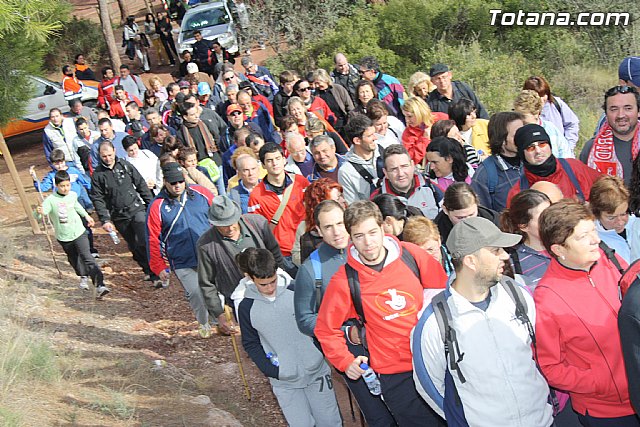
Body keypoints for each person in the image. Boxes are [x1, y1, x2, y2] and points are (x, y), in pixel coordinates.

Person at [314, 200, 447, 426]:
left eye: (372, 233)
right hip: (395, 375)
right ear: (350, 238)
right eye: (359, 236)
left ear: (383, 228)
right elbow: (325, 330)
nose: (368, 243)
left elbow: (444, 297)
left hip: (433, 361)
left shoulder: (412, 255)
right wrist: (345, 361)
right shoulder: (345, 280)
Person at [412, 216, 554, 426]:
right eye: (496, 250)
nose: (505, 255)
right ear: (471, 261)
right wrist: (466, 420)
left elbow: (540, 353)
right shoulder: (435, 321)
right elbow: (429, 385)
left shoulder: (517, 294)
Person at [294, 199, 399, 426]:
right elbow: (304, 319)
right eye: (328, 227)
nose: (336, 232)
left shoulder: (369, 249)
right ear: (318, 230)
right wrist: (345, 331)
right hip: (351, 350)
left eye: (340, 224)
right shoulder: (311, 270)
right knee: (378, 413)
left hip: (387, 340)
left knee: (404, 404)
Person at [536, 200, 638, 426]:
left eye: (593, 230)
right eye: (583, 236)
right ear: (559, 249)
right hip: (609, 411)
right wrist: (602, 382)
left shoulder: (608, 258)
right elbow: (550, 367)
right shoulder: (548, 299)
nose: (596, 240)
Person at [238, 248, 342, 427]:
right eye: (263, 284)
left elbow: (318, 322)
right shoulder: (246, 307)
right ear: (250, 278)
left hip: (317, 373)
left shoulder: (297, 290)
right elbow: (250, 343)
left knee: (330, 421)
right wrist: (272, 371)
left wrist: (319, 353)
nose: (270, 288)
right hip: (284, 382)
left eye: (273, 281)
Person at [147, 163, 217, 336]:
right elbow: (153, 238)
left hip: (209, 254)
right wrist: (158, 266)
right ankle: (204, 323)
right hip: (181, 259)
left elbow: (219, 218)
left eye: (180, 181)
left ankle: (219, 318)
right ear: (165, 182)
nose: (177, 185)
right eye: (173, 182)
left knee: (215, 289)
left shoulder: (202, 194)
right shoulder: (157, 205)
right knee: (195, 293)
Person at [197, 196, 285, 334]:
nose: (229, 228)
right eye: (223, 225)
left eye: (232, 222)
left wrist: (282, 283)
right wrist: (219, 313)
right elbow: (207, 283)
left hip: (273, 290)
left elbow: (276, 255)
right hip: (242, 299)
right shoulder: (206, 245)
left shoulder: (258, 224)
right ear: (214, 224)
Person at [91, 141, 156, 282]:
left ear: (114, 151)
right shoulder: (98, 175)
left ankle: (156, 269)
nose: (108, 158)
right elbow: (97, 198)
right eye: (104, 156)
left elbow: (140, 184)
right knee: (133, 245)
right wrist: (105, 219)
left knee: (144, 239)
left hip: (136, 208)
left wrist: (152, 205)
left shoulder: (125, 166)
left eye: (109, 155)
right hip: (118, 215)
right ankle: (147, 269)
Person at [37, 170, 108, 297]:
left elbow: (77, 206)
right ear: (56, 186)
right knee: (74, 258)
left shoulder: (73, 195)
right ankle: (83, 275)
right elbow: (41, 214)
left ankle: (100, 285)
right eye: (62, 186)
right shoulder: (50, 200)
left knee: (87, 257)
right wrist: (38, 212)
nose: (65, 188)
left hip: (79, 232)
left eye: (68, 185)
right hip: (64, 236)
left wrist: (87, 216)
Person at [247, 143, 309, 275]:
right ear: (263, 165)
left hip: (306, 246)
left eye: (277, 158)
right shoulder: (256, 196)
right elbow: (257, 230)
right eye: (269, 160)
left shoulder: (301, 182)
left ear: (284, 160)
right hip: (283, 254)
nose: (274, 163)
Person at [506, 123, 601, 206]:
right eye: (530, 147)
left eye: (542, 144)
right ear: (522, 154)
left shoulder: (574, 168)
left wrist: (592, 209)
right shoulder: (518, 194)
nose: (538, 151)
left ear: (550, 146)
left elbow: (606, 191)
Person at [580, 85, 640, 186]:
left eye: (628, 108)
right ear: (606, 114)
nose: (621, 115)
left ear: (638, 111)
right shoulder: (591, 148)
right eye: (614, 109)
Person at [470, 112, 525, 212]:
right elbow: (482, 213)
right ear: (502, 139)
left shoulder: (531, 160)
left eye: (523, 133)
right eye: (517, 135)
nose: (522, 138)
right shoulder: (485, 175)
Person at [371, 143, 440, 219]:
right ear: (386, 173)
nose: (400, 174)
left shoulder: (432, 188)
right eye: (394, 169)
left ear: (412, 166)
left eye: (404, 166)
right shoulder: (376, 199)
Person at [500, 189, 552, 290]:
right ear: (523, 226)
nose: (551, 220)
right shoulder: (514, 263)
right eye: (543, 218)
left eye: (551, 213)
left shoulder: (567, 244)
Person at [291, 178, 346, 266]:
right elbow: (297, 256)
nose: (343, 200)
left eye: (341, 196)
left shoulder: (352, 219)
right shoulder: (304, 230)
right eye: (337, 198)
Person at [590, 175, 640, 264]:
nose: (620, 222)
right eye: (611, 218)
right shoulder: (592, 239)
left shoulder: (637, 224)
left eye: (624, 214)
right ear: (597, 214)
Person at [524, 75, 580, 150]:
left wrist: (568, 146)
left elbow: (572, 124)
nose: (542, 99)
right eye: (538, 96)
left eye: (544, 95)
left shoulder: (556, 104)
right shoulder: (522, 113)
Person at [513, 89, 573, 159]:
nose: (519, 119)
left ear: (536, 113)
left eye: (523, 116)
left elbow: (565, 155)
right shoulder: (514, 131)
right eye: (517, 115)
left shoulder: (551, 130)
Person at [338, 114, 383, 204]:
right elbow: (354, 206)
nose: (375, 138)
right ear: (357, 141)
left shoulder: (384, 151)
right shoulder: (346, 172)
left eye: (374, 133)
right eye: (370, 135)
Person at [434, 182, 500, 245]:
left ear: (477, 204)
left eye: (472, 214)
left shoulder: (493, 220)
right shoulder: (436, 232)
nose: (468, 221)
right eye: (460, 217)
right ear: (445, 210)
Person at [401, 96, 449, 165]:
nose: (407, 120)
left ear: (420, 112)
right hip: (431, 166)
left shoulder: (441, 118)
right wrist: (424, 140)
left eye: (410, 116)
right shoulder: (408, 133)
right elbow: (410, 159)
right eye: (405, 116)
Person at [312, 68, 354, 135]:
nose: (317, 86)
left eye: (318, 83)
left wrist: (349, 122)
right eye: (315, 83)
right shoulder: (316, 95)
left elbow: (350, 107)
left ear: (325, 80)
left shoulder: (338, 89)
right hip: (328, 127)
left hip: (344, 124)